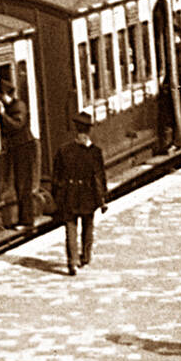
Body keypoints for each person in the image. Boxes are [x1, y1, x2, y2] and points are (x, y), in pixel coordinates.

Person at [52, 111, 108, 274]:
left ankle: (72, 261)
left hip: (69, 193)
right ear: (89, 130)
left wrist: (58, 195)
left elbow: (56, 176)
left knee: (70, 227)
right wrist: (103, 197)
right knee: (88, 225)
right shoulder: (95, 152)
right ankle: (85, 256)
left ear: (76, 129)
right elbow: (100, 177)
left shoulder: (64, 150)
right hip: (88, 194)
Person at [0, 76, 37, 227]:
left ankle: (27, 219)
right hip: (17, 148)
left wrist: (2, 115)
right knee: (19, 183)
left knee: (23, 184)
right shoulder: (12, 107)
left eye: (1, 96)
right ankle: (24, 218)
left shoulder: (19, 106)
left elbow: (17, 125)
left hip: (24, 147)